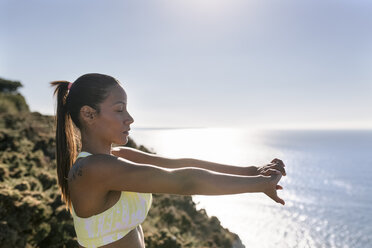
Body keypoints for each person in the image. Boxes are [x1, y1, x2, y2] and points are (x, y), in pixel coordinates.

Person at [50, 73, 286, 248]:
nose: (130, 118)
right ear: (89, 114)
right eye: (120, 109)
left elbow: (178, 164)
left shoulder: (117, 157)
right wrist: (257, 185)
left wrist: (251, 171)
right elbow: (186, 182)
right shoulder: (92, 169)